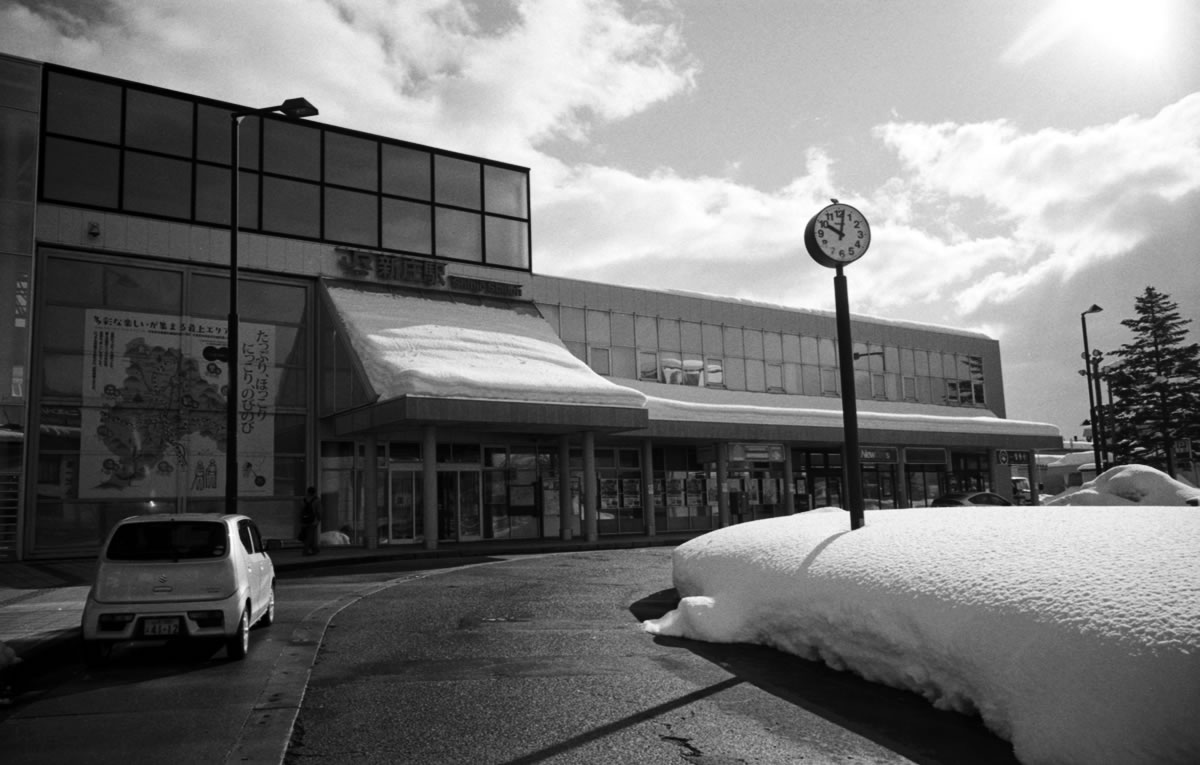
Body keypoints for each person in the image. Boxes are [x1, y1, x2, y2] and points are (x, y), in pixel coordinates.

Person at [300, 486, 321, 555]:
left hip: (305, 520)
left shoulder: (304, 500)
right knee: (310, 536)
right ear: (314, 492)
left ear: (308, 492)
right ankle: (305, 550)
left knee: (308, 535)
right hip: (313, 521)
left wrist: (301, 520)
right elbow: (318, 511)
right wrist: (319, 518)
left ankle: (315, 549)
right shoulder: (316, 500)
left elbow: (301, 511)